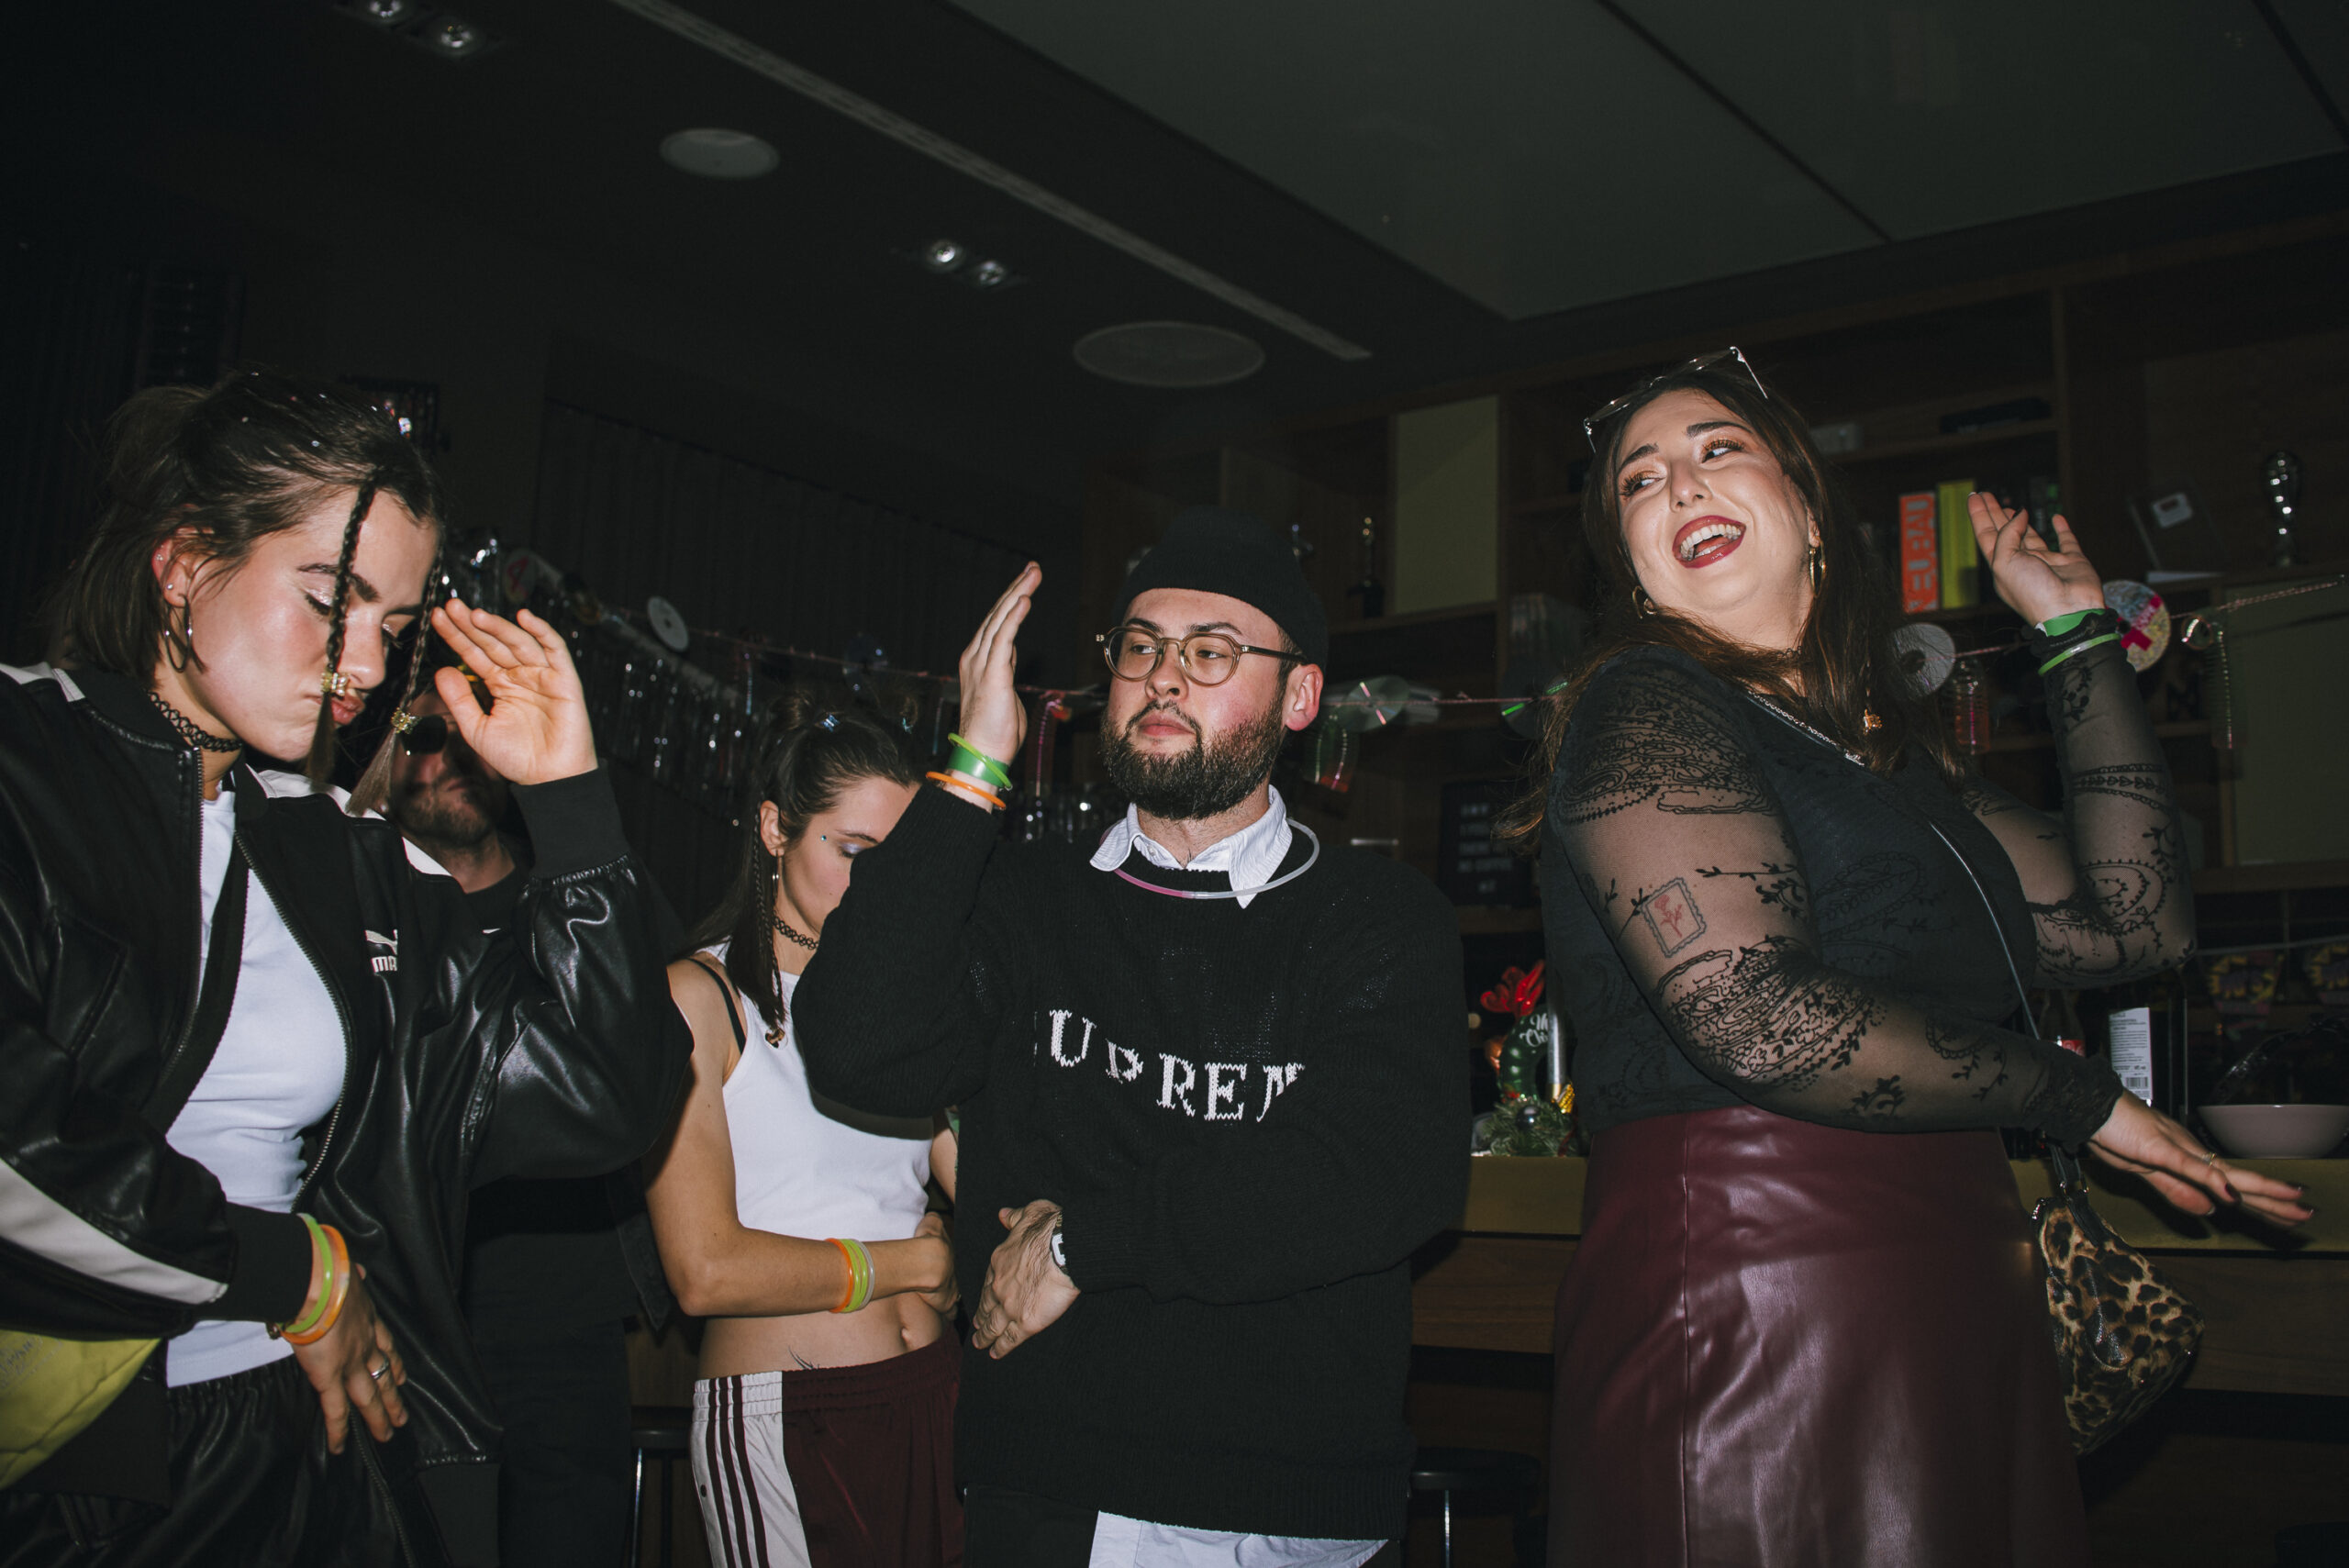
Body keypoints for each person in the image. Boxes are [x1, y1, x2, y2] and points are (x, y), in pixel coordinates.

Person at [1515, 351, 2313, 1567]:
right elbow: (1752, 1011)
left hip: (1953, 1270)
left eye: (1718, 449)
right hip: (1755, 1286)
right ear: (1629, 564)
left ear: (1810, 511)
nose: (1679, 484)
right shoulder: (1644, 702)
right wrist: (2081, 1098)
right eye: (1640, 479)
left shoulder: (1884, 761)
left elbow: (2134, 920)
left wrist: (2074, 640)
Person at [0, 368, 691, 1567]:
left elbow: (607, 1093)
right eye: (331, 600)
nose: (362, 666)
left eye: (393, 626)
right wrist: (295, 1271)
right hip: (80, 1473)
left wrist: (572, 806)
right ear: (184, 563)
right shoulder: (25, 764)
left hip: (306, 1450)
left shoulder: (344, 855)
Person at [793, 508, 1468, 1568]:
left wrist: (1083, 1244)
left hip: (1298, 1501)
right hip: (1053, 1482)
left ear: (1298, 697)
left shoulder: (1379, 918)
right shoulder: (1022, 899)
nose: (1162, 677)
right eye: (1141, 647)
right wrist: (971, 769)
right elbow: (855, 1041)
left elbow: (1376, 1172)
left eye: (1211, 652)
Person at [641, 689, 963, 1568]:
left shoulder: (899, 1011)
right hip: (788, 1417)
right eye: (852, 850)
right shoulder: (699, 999)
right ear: (775, 828)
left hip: (933, 1394)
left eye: (898, 860)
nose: (877, 885)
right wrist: (912, 1264)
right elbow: (703, 1270)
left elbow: (995, 1186)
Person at [382, 666, 677, 1568]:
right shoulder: (364, 906)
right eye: (423, 736)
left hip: (568, 1330)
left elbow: (664, 1056)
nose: (449, 758)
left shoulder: (583, 892)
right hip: (411, 1327)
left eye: (467, 734)